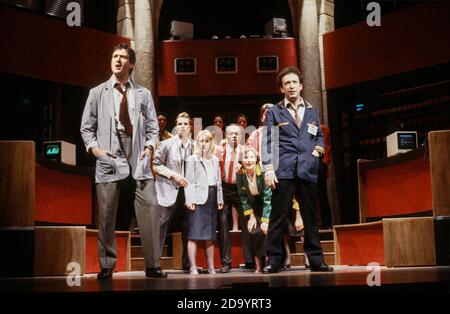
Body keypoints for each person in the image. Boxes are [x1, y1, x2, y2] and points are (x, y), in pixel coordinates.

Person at [80, 43, 166, 279]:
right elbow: (87, 128)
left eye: (122, 57)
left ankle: (153, 265)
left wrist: (149, 148)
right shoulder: (97, 93)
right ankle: (106, 266)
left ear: (131, 64)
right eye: (114, 56)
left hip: (137, 153)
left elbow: (152, 128)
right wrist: (96, 151)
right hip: (109, 153)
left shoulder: (143, 93)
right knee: (106, 214)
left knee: (150, 208)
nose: (117, 60)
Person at [262, 66, 333, 273]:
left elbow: (318, 136)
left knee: (311, 218)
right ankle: (274, 260)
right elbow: (268, 142)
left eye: (294, 82)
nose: (291, 86)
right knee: (278, 217)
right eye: (287, 83)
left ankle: (316, 261)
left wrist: (315, 154)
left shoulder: (312, 110)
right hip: (283, 171)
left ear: (301, 86)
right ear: (282, 89)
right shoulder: (274, 112)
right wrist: (268, 169)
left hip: (307, 170)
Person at [153, 112, 193, 272]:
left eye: (186, 124)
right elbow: (155, 166)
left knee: (189, 228)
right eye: (180, 123)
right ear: (176, 126)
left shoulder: (195, 146)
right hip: (168, 190)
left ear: (190, 127)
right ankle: (154, 265)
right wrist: (173, 175)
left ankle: (188, 264)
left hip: (188, 192)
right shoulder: (166, 144)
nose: (182, 126)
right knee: (161, 227)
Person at [184, 130, 224, 275]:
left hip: (212, 197)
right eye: (201, 141)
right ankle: (193, 267)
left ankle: (211, 267)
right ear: (197, 143)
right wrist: (190, 199)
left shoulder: (214, 159)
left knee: (209, 235)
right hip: (198, 198)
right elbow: (189, 181)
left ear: (210, 143)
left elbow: (218, 181)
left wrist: (220, 198)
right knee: (194, 234)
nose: (204, 144)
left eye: (206, 141)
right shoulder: (192, 159)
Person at [216, 124, 253, 272]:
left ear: (242, 135)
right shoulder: (220, 150)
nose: (234, 136)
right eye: (231, 133)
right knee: (223, 223)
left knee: (247, 222)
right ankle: (226, 262)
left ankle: (250, 260)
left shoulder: (246, 151)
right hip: (224, 188)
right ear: (226, 135)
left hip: (241, 189)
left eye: (237, 133)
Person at [236, 147, 272, 273]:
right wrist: (251, 215)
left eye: (251, 157)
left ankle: (268, 263)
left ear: (256, 159)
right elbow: (243, 196)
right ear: (242, 160)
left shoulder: (262, 172)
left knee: (266, 232)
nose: (249, 160)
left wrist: (265, 220)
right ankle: (257, 266)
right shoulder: (240, 174)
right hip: (253, 206)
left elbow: (268, 197)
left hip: (266, 204)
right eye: (246, 157)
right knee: (252, 231)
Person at [317, 123, 333, 229]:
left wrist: (324, 163)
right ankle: (315, 224)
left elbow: (327, 147)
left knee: (322, 194)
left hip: (319, 163)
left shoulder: (323, 128)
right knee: (309, 196)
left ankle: (327, 223)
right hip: (307, 163)